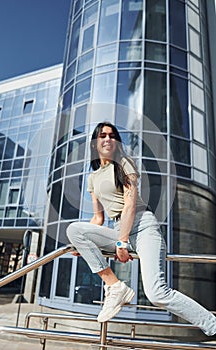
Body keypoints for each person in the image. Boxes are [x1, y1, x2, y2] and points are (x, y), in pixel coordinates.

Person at [67, 121, 216, 336]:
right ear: (94, 143)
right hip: (119, 229)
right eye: (102, 136)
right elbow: (98, 218)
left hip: (142, 226)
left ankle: (212, 324)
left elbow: (129, 204)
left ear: (117, 142)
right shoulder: (93, 178)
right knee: (74, 230)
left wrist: (122, 241)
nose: (107, 139)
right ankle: (115, 286)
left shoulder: (125, 163)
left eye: (111, 135)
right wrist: (81, 243)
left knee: (157, 293)